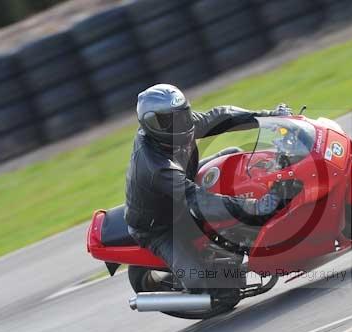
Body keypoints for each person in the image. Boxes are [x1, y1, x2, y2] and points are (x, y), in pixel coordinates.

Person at [124, 83, 291, 293]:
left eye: (182, 115)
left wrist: (270, 117)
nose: (180, 123)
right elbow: (196, 200)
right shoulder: (155, 166)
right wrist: (256, 207)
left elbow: (221, 117)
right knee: (207, 285)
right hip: (162, 226)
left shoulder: (180, 127)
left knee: (234, 157)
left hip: (183, 183)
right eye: (169, 120)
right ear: (152, 125)